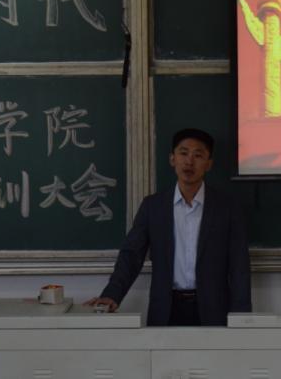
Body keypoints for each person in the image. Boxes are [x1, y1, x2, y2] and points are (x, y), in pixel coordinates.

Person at [85, 128, 251, 326]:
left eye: (198, 155)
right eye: (183, 153)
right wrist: (111, 294)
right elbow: (131, 255)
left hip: (213, 310)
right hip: (166, 309)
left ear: (209, 164)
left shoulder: (227, 207)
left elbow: (239, 265)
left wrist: (242, 316)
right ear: (172, 159)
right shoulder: (153, 207)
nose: (189, 161)